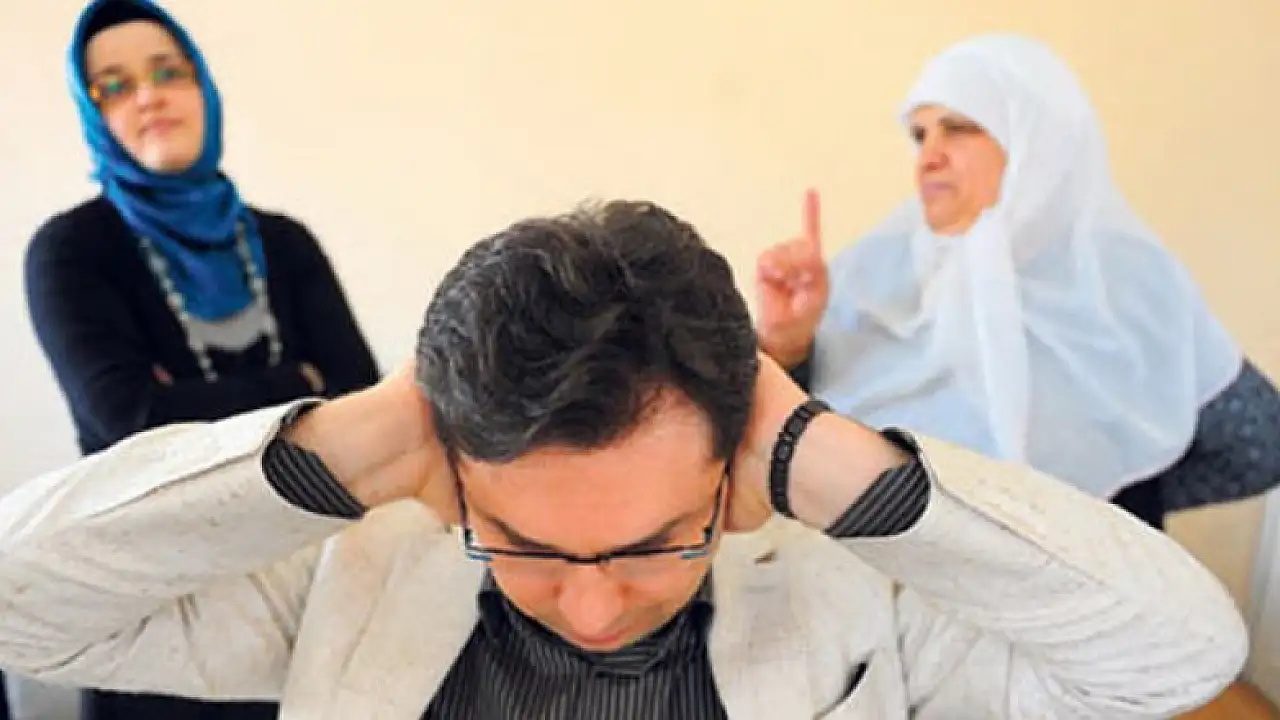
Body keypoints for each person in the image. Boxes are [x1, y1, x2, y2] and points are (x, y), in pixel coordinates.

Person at [0, 200, 1247, 718]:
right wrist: (342, 441)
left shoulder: (851, 591)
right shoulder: (359, 574)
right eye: (526, 547)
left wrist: (827, 455)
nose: (592, 608)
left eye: (654, 545)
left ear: (728, 471)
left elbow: (1180, 655)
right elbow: (21, 607)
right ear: (453, 473)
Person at [756, 34, 1280, 532]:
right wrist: (788, 343)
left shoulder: (1122, 282)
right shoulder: (875, 276)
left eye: (959, 127)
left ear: (1037, 137)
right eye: (920, 135)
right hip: (889, 591)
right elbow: (790, 443)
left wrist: (1120, 490)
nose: (928, 156)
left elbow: (1259, 444)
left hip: (1089, 584)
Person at [21, 0, 380, 718]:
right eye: (114, 86)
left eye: (167, 72)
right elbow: (129, 420)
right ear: (93, 115)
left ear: (204, 89)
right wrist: (299, 382)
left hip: (303, 599)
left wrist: (182, 405)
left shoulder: (285, 244)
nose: (148, 96)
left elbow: (365, 401)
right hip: (156, 616)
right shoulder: (72, 251)